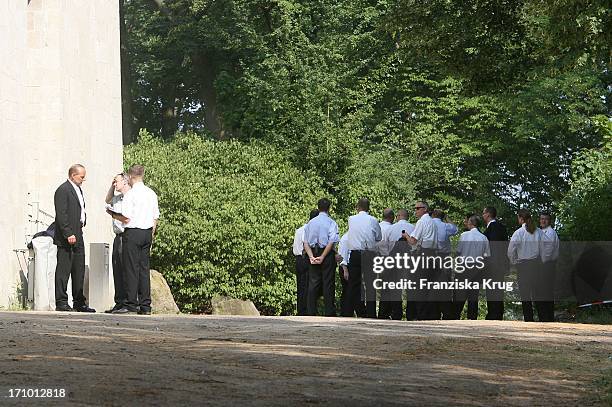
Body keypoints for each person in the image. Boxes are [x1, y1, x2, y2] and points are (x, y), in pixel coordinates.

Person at [110, 165, 160, 315]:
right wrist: (151, 235)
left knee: (131, 269)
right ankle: (145, 305)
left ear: (130, 177)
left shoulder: (131, 194)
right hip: (147, 232)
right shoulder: (151, 193)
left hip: (132, 232)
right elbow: (155, 217)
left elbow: (126, 217)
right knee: (144, 269)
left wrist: (112, 214)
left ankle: (131, 303)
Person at [53, 164, 95, 312]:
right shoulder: (63, 190)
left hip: (78, 232)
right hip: (67, 236)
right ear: (73, 175)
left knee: (79, 268)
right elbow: (61, 214)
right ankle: (61, 302)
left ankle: (79, 302)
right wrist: (68, 233)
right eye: (81, 176)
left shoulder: (78, 189)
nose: (84, 179)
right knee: (64, 269)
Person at [344, 198, 382, 318]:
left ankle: (349, 311)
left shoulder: (351, 219)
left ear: (357, 207)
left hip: (355, 254)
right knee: (370, 284)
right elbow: (379, 237)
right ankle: (371, 313)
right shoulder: (373, 220)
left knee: (353, 284)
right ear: (368, 208)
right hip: (369, 253)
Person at [303, 198, 339, 316]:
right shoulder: (331, 223)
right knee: (328, 283)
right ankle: (329, 311)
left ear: (318, 208)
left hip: (313, 251)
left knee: (313, 283)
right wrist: (323, 256)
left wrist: (311, 256)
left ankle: (311, 311)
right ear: (329, 208)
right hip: (326, 253)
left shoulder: (311, 223)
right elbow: (331, 241)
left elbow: (306, 242)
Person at [507, 209, 545, 322]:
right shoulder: (538, 231)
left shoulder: (518, 233)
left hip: (523, 266)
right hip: (536, 265)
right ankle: (543, 319)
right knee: (538, 294)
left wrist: (514, 262)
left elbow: (510, 251)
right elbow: (545, 249)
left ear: (521, 218)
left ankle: (529, 320)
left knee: (525, 295)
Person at [404, 201, 438, 320]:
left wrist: (406, 236)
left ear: (425, 209)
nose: (416, 210)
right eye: (415, 208)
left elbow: (413, 241)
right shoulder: (433, 222)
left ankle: (420, 314)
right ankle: (429, 315)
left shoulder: (421, 221)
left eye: (418, 208)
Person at [104, 173, 131, 313]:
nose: (115, 184)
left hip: (128, 234)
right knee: (117, 269)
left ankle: (128, 301)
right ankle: (119, 301)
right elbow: (107, 199)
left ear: (125, 182)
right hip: (118, 236)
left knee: (127, 269)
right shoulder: (117, 198)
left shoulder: (131, 197)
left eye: (117, 181)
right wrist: (111, 184)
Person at [454, 215, 490, 319]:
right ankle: (472, 317)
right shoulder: (484, 238)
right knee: (473, 295)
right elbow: (487, 256)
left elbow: (458, 252)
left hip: (464, 266)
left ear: (471, 223)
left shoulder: (464, 235)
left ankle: (455, 315)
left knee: (460, 293)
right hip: (477, 267)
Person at [431, 209, 459, 319]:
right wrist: (447, 219)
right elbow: (456, 229)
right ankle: (447, 313)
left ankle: (433, 313)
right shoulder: (446, 226)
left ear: (433, 215)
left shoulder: (429, 224)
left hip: (432, 256)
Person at [482, 206, 508, 320]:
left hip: (493, 265)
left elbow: (493, 248)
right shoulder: (501, 227)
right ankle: (497, 313)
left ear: (488, 214)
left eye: (483, 213)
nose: (483, 215)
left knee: (492, 290)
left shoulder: (493, 228)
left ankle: (494, 314)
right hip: (500, 264)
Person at [292, 209, 319, 316]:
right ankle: (308, 310)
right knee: (309, 285)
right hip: (307, 258)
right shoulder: (310, 230)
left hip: (298, 259)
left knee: (300, 285)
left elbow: (295, 247)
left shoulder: (299, 230)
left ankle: (301, 310)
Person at [538, 211, 559, 322]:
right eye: (541, 219)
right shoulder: (541, 232)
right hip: (543, 265)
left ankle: (547, 319)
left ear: (549, 221)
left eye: (545, 219)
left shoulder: (550, 233)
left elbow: (548, 252)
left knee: (545, 293)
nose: (543, 221)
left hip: (547, 266)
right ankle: (544, 318)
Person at [337, 232, 350, 315]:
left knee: (349, 291)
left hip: (349, 267)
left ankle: (348, 311)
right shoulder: (346, 238)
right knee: (346, 290)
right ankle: (345, 312)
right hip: (345, 267)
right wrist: (345, 270)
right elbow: (343, 257)